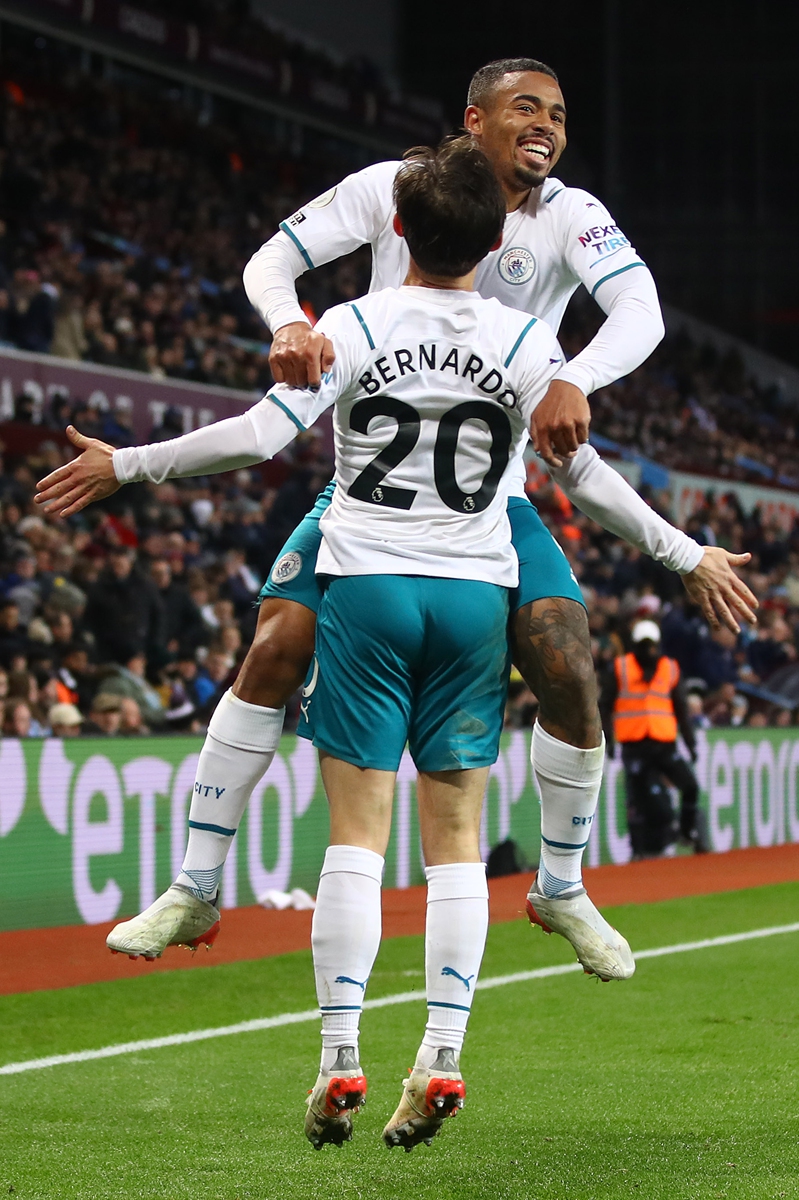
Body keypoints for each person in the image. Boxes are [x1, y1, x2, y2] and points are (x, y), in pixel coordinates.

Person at [35, 63, 757, 981]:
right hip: (369, 493)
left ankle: (562, 888)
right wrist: (289, 325)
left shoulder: (570, 214)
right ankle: (195, 886)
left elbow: (640, 311)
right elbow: (270, 263)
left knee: (568, 655)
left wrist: (575, 378)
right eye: (525, 109)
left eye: (560, 114)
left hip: (490, 495)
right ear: (474, 120)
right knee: (272, 649)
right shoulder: (391, 188)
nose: (546, 126)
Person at [601, 620, 704, 857]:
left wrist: (690, 743)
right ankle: (639, 850)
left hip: (663, 743)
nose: (649, 651)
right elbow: (605, 706)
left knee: (690, 787)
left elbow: (681, 709)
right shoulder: (620, 668)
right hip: (635, 744)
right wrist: (609, 740)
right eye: (644, 645)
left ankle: (687, 832)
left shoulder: (670, 668)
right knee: (639, 801)